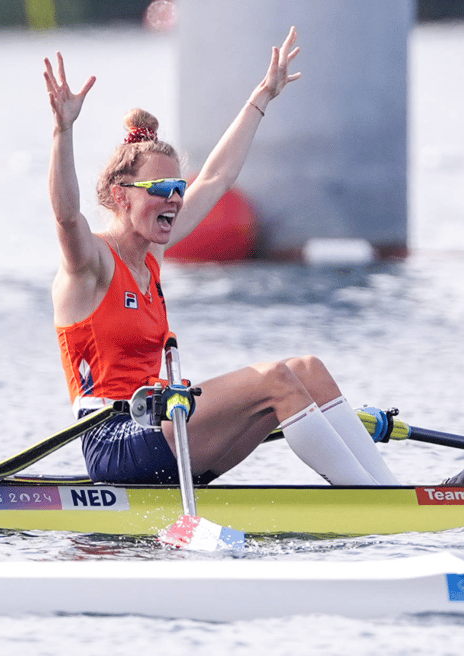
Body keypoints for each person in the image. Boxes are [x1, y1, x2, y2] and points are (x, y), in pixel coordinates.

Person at [43, 27, 399, 487]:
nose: (174, 200)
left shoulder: (152, 252)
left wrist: (261, 98)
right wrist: (62, 130)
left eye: (176, 189)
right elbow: (66, 215)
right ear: (121, 195)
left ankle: (387, 492)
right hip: (115, 441)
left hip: (160, 426)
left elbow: (215, 178)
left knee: (307, 370)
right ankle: (372, 503)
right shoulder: (90, 263)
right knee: (274, 378)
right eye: (160, 190)